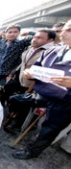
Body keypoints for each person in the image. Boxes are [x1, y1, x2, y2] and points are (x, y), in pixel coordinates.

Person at [12, 20, 71, 159]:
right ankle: (16, 124)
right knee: (15, 99)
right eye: (65, 29)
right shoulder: (52, 50)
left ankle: (32, 151)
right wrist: (29, 73)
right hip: (42, 94)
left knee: (49, 129)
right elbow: (35, 69)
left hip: (65, 102)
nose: (63, 32)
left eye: (69, 30)